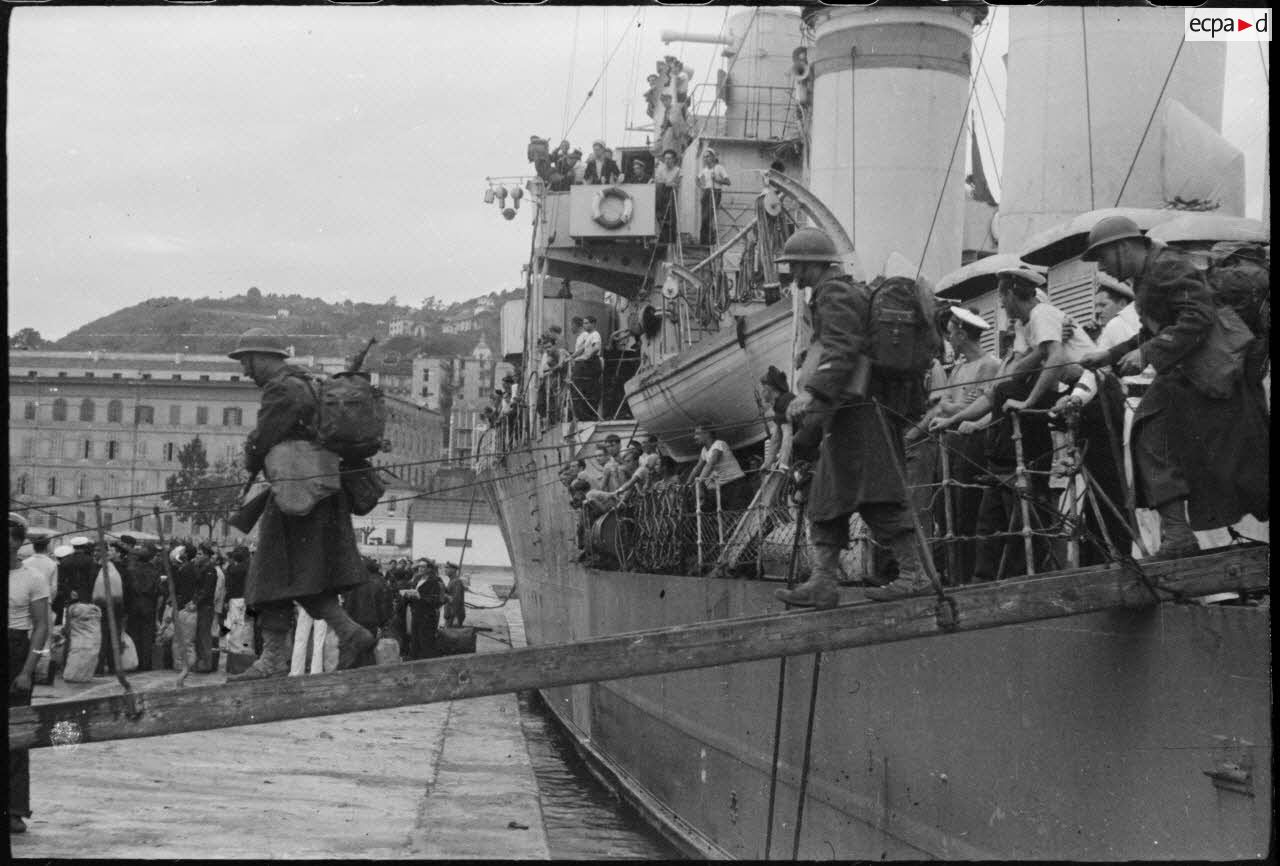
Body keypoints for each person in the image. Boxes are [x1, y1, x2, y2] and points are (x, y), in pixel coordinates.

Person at [1079, 215, 1269, 556]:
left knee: (1238, 458)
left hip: (1208, 374)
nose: (1103, 269)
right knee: (1174, 442)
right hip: (1189, 376)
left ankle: (1179, 535)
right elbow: (1156, 329)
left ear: (1123, 247)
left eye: (1103, 258)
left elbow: (1198, 316)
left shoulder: (1166, 267)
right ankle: (1178, 534)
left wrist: (1147, 353)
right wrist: (1110, 354)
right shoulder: (1148, 275)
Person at [770, 228, 927, 607]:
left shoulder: (834, 292)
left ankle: (915, 574)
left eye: (797, 265)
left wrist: (811, 393)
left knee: (877, 497)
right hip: (848, 415)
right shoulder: (839, 291)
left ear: (813, 264)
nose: (793, 273)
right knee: (826, 497)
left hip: (860, 416)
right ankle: (824, 582)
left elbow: (842, 348)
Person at [225, 328, 375, 681]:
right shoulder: (308, 383)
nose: (246, 371)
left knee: (269, 577)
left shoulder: (281, 389)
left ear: (263, 357)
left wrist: (249, 457)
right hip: (319, 489)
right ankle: (351, 633)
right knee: (302, 578)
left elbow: (263, 439)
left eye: (246, 361)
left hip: (296, 494)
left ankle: (273, 659)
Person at [930, 306, 1000, 583]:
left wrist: (954, 407)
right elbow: (944, 404)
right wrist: (957, 406)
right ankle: (954, 571)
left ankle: (968, 574)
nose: (949, 340)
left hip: (973, 443)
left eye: (951, 334)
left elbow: (983, 406)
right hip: (951, 441)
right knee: (946, 511)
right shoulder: (958, 368)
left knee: (967, 508)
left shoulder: (989, 365)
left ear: (961, 334)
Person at [9, 516, 50, 835]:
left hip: (16, 652)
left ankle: (14, 810)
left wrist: (27, 670)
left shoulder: (33, 578)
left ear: (19, 542)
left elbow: (41, 626)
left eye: (11, 538)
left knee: (17, 734)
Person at [342, 558, 394, 668]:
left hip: (354, 620)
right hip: (371, 623)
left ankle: (354, 674)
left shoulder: (353, 582)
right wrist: (383, 623)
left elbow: (348, 603)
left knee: (354, 652)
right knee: (368, 651)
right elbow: (383, 606)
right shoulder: (379, 583)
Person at [691, 422, 750, 512]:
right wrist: (686, 484)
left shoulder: (719, 444)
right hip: (725, 487)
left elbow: (710, 464)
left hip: (737, 484)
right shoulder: (704, 450)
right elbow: (697, 468)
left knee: (737, 513)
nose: (695, 437)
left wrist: (699, 482)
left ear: (707, 433)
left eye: (697, 434)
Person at [124, 542, 162, 672]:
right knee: (147, 635)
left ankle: (134, 661)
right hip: (148, 605)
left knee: (134, 634)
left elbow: (129, 588)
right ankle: (146, 663)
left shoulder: (132, 570)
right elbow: (157, 590)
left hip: (134, 605)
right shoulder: (154, 571)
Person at [760, 366, 796, 473]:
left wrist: (783, 463)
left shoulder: (783, 401)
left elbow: (787, 434)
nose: (762, 393)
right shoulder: (779, 403)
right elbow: (776, 437)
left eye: (764, 389)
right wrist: (767, 463)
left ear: (771, 390)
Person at [408, 561, 446, 660]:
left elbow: (436, 600)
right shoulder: (417, 579)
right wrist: (408, 595)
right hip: (416, 613)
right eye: (419, 567)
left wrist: (420, 597)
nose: (420, 569)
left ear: (429, 569)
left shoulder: (434, 581)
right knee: (415, 638)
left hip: (427, 615)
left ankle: (427, 661)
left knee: (426, 640)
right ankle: (414, 660)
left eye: (423, 567)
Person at [569, 316, 603, 421]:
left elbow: (596, 347)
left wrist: (587, 356)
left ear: (593, 324)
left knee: (589, 388)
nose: (585, 325)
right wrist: (571, 357)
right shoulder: (588, 336)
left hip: (591, 363)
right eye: (584, 323)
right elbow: (581, 349)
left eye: (587, 323)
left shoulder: (595, 334)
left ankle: (589, 416)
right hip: (586, 362)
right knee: (580, 388)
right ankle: (582, 415)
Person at [696, 149, 731, 246]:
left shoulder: (719, 168)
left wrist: (717, 179)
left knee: (709, 217)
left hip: (715, 192)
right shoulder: (704, 169)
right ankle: (703, 242)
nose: (706, 159)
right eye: (704, 157)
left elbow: (728, 182)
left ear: (713, 157)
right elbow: (697, 179)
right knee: (704, 218)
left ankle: (711, 241)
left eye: (708, 156)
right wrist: (701, 186)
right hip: (706, 193)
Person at [653, 149, 681, 243]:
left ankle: (672, 240)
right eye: (665, 159)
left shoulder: (678, 170)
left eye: (669, 158)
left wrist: (668, 183)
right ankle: (663, 238)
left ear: (673, 159)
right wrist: (668, 182)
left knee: (671, 217)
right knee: (660, 215)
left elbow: (677, 183)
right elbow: (658, 181)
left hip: (671, 194)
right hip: (661, 194)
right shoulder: (660, 170)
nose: (667, 161)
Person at [442, 562, 466, 628]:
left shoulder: (456, 582)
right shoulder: (452, 581)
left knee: (451, 636)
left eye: (447, 568)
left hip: (453, 615)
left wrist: (455, 617)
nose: (445, 570)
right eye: (445, 568)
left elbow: (456, 600)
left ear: (454, 570)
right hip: (450, 614)